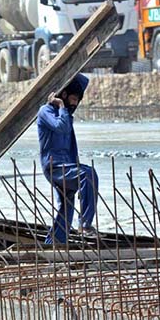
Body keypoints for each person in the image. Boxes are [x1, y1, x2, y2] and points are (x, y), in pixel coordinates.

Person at [36, 74, 98, 244]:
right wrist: (61, 106)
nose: (74, 104)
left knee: (66, 204)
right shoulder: (46, 111)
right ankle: (85, 224)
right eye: (72, 98)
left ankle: (54, 242)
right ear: (63, 95)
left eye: (77, 100)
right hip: (54, 166)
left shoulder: (66, 115)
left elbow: (71, 145)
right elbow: (61, 128)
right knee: (88, 175)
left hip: (67, 165)